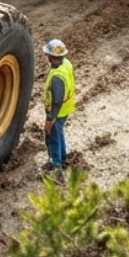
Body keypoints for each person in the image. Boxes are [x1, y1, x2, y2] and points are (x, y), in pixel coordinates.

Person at [42, 39, 76, 174]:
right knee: (59, 132)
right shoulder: (66, 64)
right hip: (65, 108)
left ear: (50, 57)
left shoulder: (57, 77)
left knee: (53, 137)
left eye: (47, 54)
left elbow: (57, 100)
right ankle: (62, 157)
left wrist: (51, 118)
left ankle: (56, 167)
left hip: (58, 111)